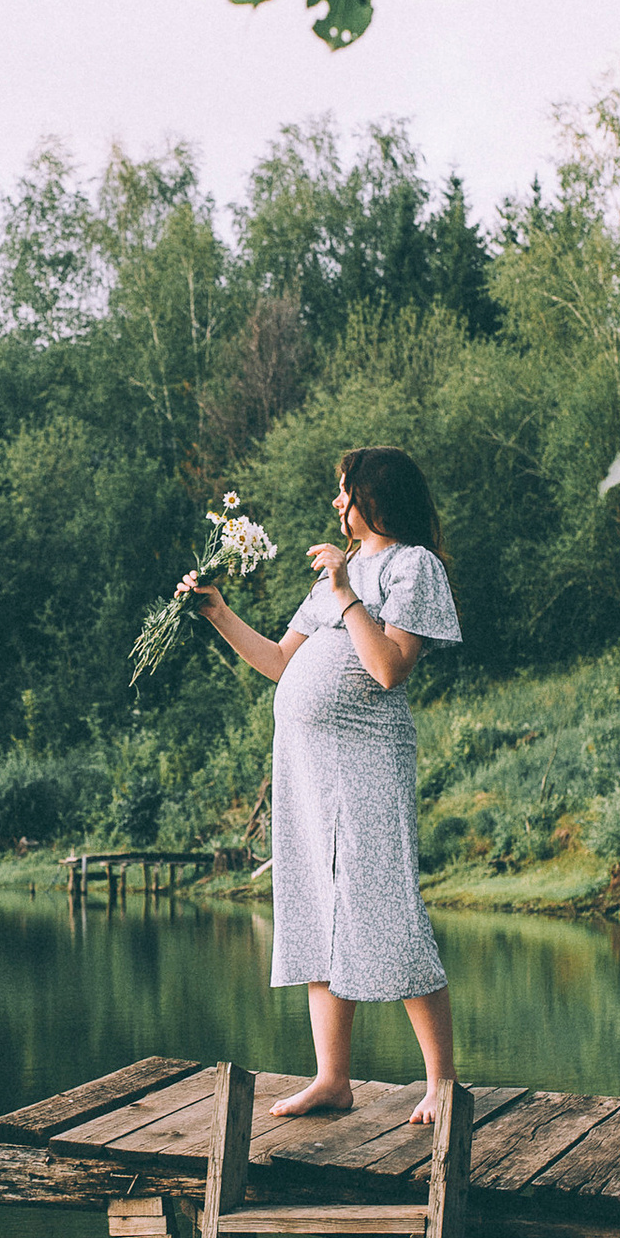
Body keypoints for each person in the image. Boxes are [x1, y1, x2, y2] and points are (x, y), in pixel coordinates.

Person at [191, 445, 459, 1122]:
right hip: (308, 768)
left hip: (365, 762)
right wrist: (218, 613)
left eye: (345, 491)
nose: (336, 503)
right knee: (315, 905)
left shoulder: (410, 565)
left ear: (376, 496)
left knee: (385, 905)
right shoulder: (335, 578)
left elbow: (390, 667)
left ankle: (441, 1083)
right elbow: (282, 662)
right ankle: (332, 1079)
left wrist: (345, 596)